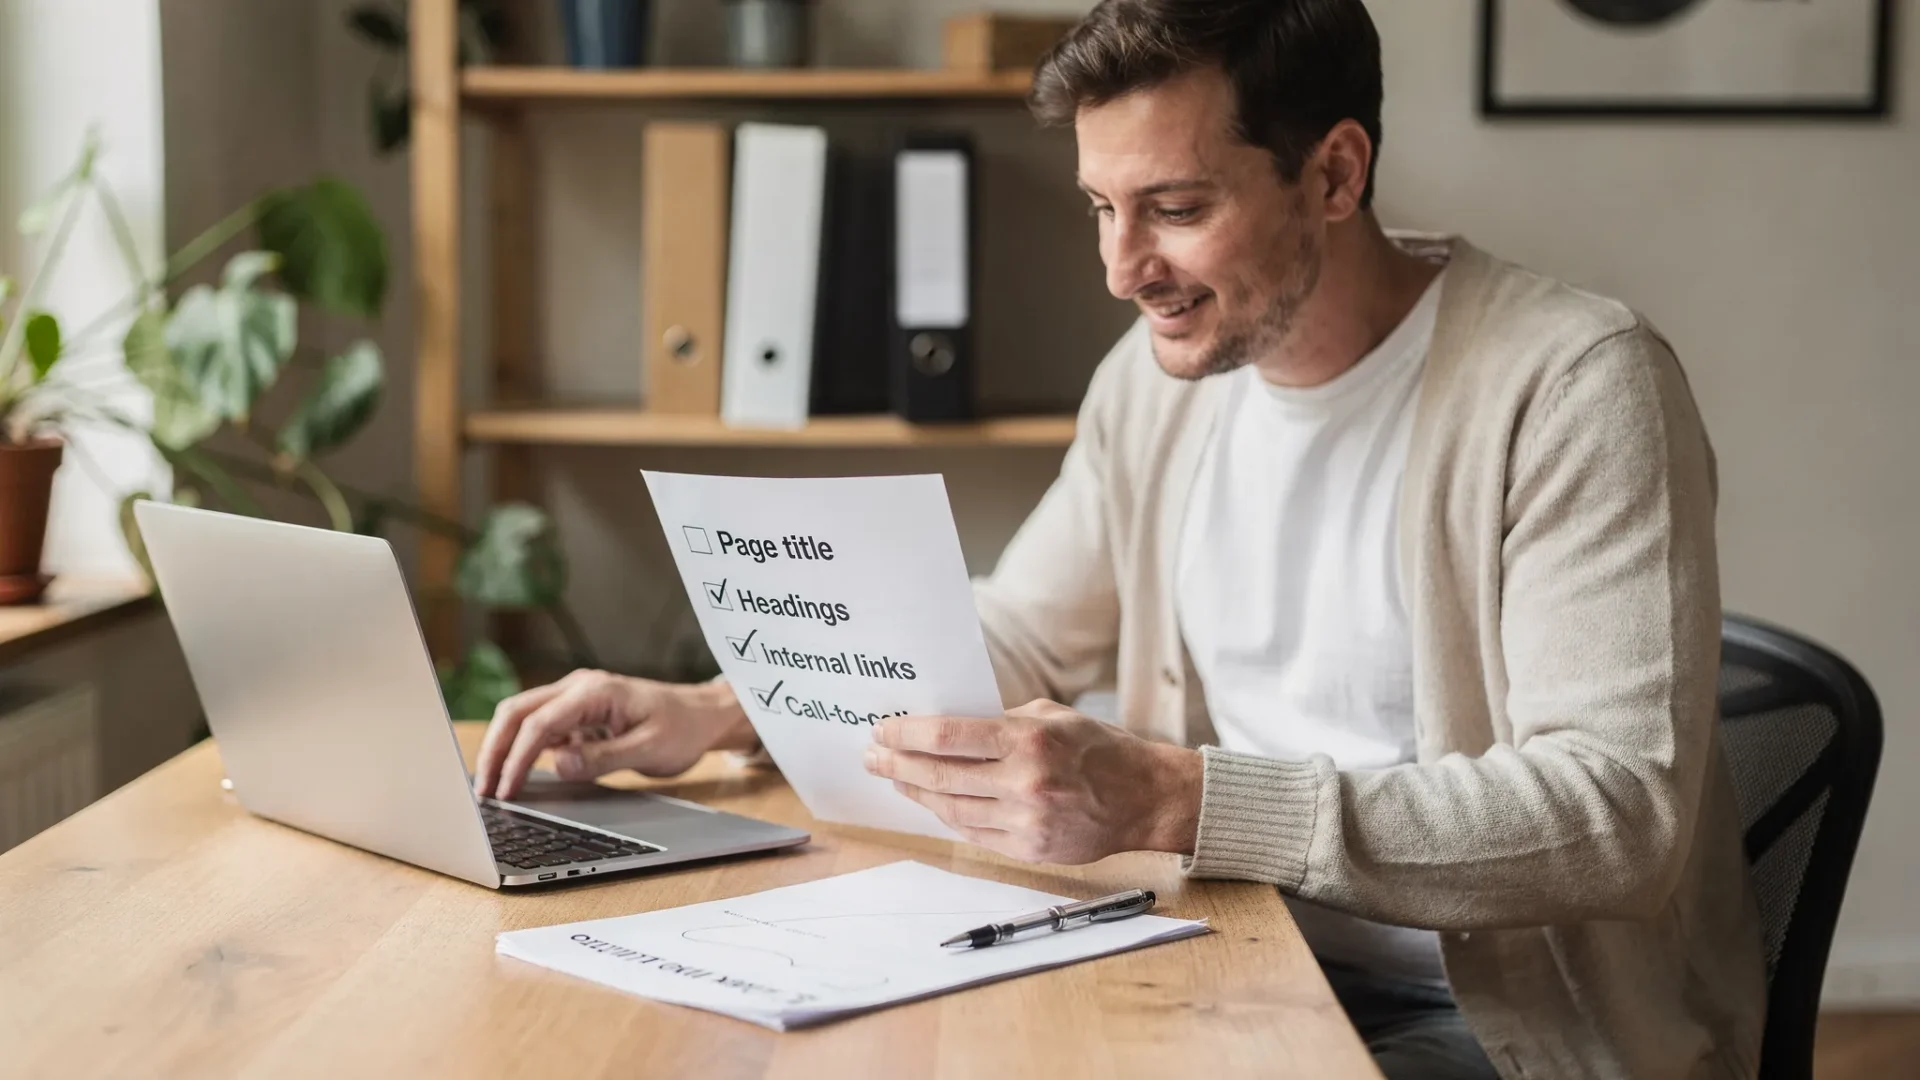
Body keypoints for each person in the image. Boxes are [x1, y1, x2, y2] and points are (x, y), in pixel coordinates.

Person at [473, 1, 1767, 1075]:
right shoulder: (1158, 382)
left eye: (1174, 207)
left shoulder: (1576, 384)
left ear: (1334, 173)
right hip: (1227, 950)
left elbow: (1617, 813)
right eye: (1102, 206)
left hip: (1491, 1029)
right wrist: (717, 706)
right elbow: (1022, 632)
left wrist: (1175, 794)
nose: (1120, 266)